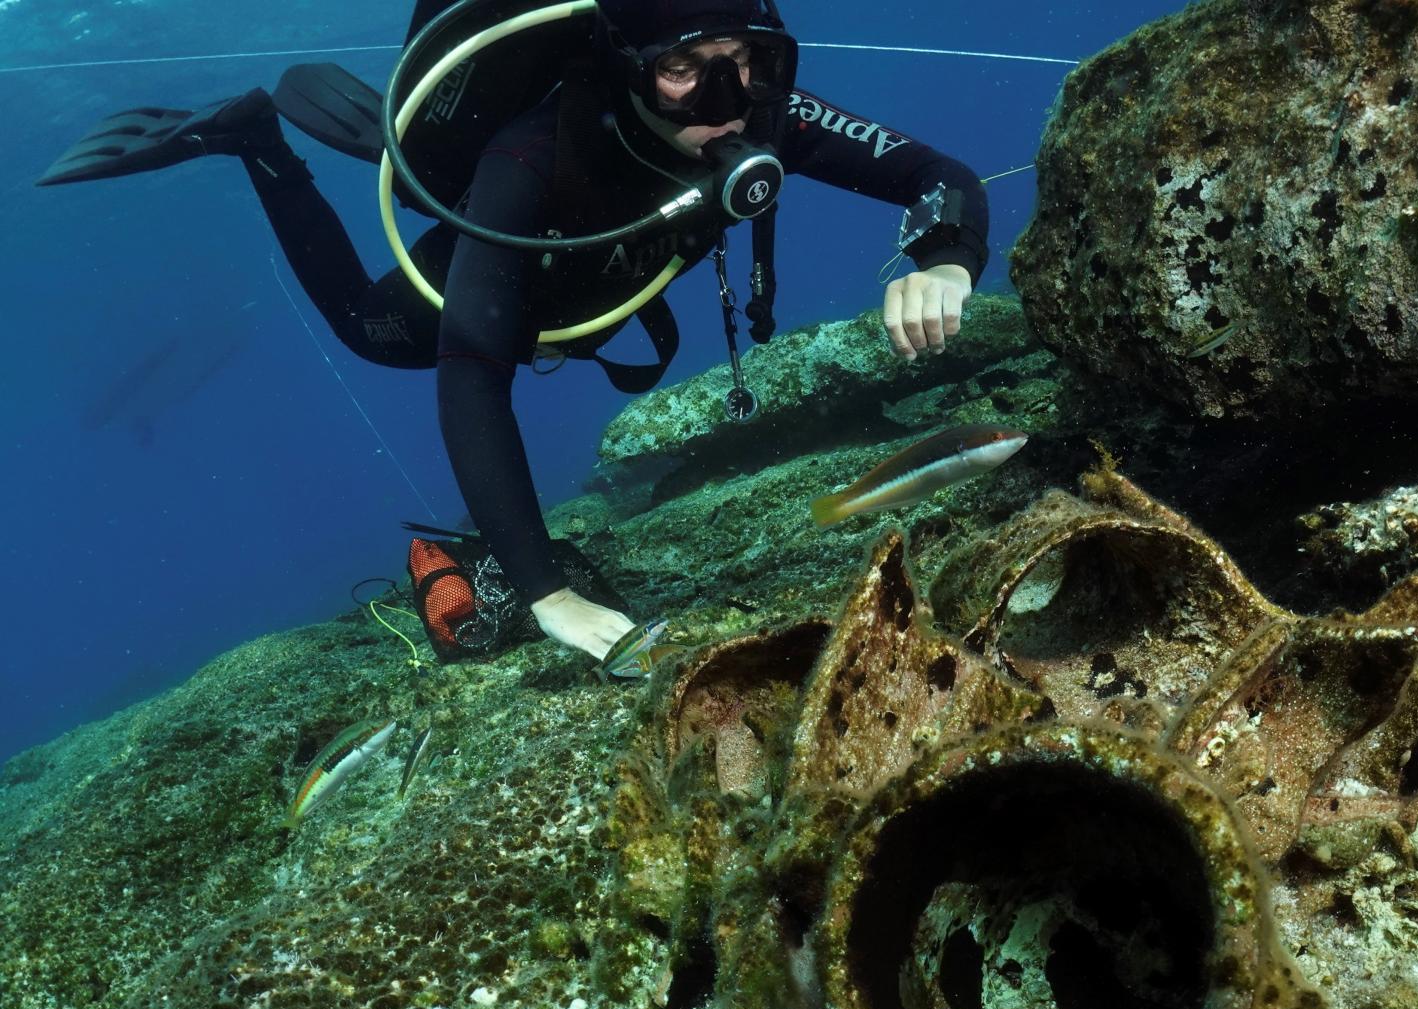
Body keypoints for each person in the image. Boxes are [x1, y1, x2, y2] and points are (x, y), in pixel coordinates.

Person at [38, 0, 991, 664]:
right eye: (681, 69)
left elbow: (934, 168)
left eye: (749, 62)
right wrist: (547, 590)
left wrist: (943, 256)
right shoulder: (530, 154)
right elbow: (471, 377)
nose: (724, 102)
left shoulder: (764, 116)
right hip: (506, 269)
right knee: (373, 330)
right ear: (626, 69)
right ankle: (260, 143)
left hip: (602, 282)